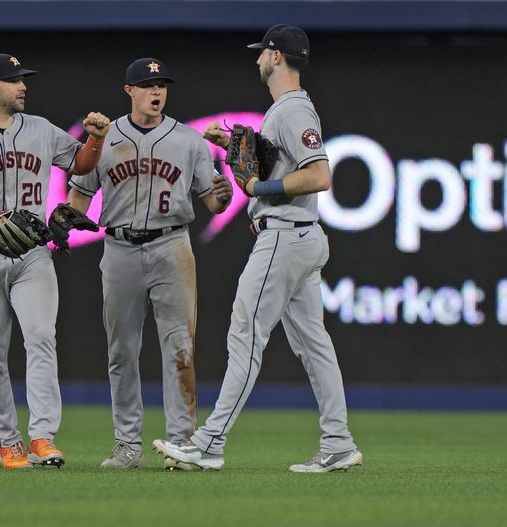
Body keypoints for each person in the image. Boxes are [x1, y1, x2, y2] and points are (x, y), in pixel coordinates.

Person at [153, 26, 363, 473]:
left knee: (245, 335)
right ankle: (339, 442)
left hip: (285, 237)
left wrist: (257, 185)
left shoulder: (291, 110)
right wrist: (233, 146)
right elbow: (281, 160)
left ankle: (209, 442)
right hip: (300, 235)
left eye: (261, 54)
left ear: (275, 56)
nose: (256, 61)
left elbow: (319, 174)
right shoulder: (286, 110)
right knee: (314, 345)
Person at [0, 53, 110, 469]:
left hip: (32, 254)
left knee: (41, 337)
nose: (23, 86)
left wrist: (96, 139)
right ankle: (8, 442)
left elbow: (80, 162)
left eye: (23, 79)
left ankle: (43, 437)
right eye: (13, 80)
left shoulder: (40, 129)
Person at [67, 57, 233, 470]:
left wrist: (222, 197)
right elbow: (80, 196)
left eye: (161, 85)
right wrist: (66, 219)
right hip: (119, 248)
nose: (156, 91)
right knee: (121, 351)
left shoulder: (189, 140)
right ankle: (127, 445)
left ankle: (181, 444)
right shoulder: (105, 138)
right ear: (130, 91)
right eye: (147, 84)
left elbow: (211, 200)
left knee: (179, 347)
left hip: (171, 246)